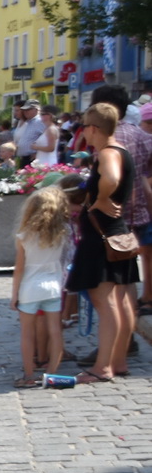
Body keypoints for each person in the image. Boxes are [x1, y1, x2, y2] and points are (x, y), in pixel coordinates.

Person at [66, 103, 137, 383]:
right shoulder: (123, 151)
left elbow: (112, 178)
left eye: (85, 126)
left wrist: (102, 198)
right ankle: (117, 361)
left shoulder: (107, 153)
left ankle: (103, 367)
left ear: (93, 129)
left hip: (102, 236)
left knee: (105, 301)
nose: (84, 131)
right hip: (116, 232)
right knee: (121, 301)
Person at [91, 85, 152, 319]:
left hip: (115, 216)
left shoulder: (108, 137)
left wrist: (100, 199)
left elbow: (110, 177)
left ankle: (121, 338)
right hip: (140, 212)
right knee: (136, 267)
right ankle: (144, 302)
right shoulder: (139, 134)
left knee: (115, 281)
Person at [10, 186, 72, 387]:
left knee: (27, 334)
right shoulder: (63, 233)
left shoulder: (24, 236)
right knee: (55, 331)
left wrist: (14, 295)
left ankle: (29, 375)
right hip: (53, 286)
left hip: (30, 287)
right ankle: (52, 373)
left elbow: (19, 269)